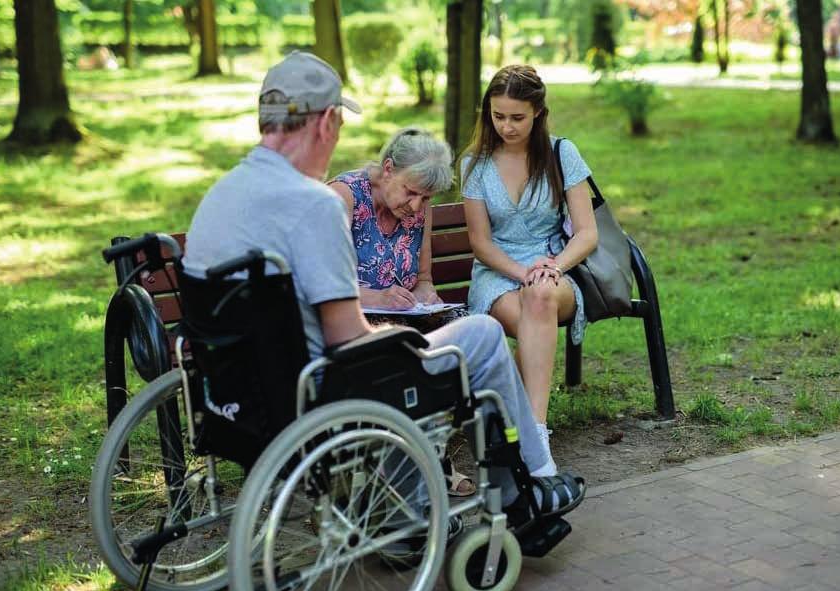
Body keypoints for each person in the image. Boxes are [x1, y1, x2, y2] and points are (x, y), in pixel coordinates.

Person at [183, 52, 583, 527]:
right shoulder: (318, 205)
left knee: (410, 357)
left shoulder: (220, 194)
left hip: (239, 388)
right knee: (481, 337)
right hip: (316, 384)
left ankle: (413, 511)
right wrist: (404, 333)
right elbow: (348, 338)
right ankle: (532, 481)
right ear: (327, 123)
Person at [460, 65, 598, 460]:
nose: (506, 126)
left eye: (517, 117)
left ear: (537, 111)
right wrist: (524, 272)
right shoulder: (475, 164)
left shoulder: (561, 153)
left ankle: (532, 434)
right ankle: (532, 440)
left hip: (557, 268)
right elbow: (480, 243)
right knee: (534, 309)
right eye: (498, 115)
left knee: (540, 297)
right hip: (499, 274)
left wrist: (551, 267)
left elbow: (587, 233)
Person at [329, 127, 474, 496]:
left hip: (404, 321)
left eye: (425, 198)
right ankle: (419, 464)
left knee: (460, 335)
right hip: (353, 325)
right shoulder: (343, 199)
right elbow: (324, 286)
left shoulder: (417, 212)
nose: (416, 207)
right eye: (411, 192)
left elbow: (423, 278)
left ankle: (435, 452)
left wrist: (428, 296)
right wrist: (377, 297)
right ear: (388, 169)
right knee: (407, 357)